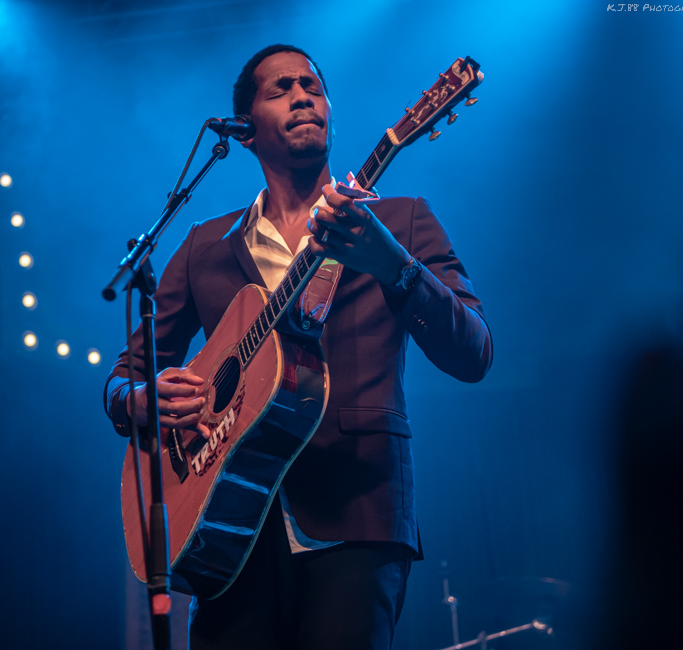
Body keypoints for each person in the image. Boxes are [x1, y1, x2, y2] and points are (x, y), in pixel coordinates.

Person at [104, 44, 493, 650]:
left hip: (356, 517)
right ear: (248, 129)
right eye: (280, 89)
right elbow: (126, 374)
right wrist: (141, 398)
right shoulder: (205, 246)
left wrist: (394, 265)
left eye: (312, 85)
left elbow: (475, 353)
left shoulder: (400, 220)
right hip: (226, 529)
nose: (303, 95)